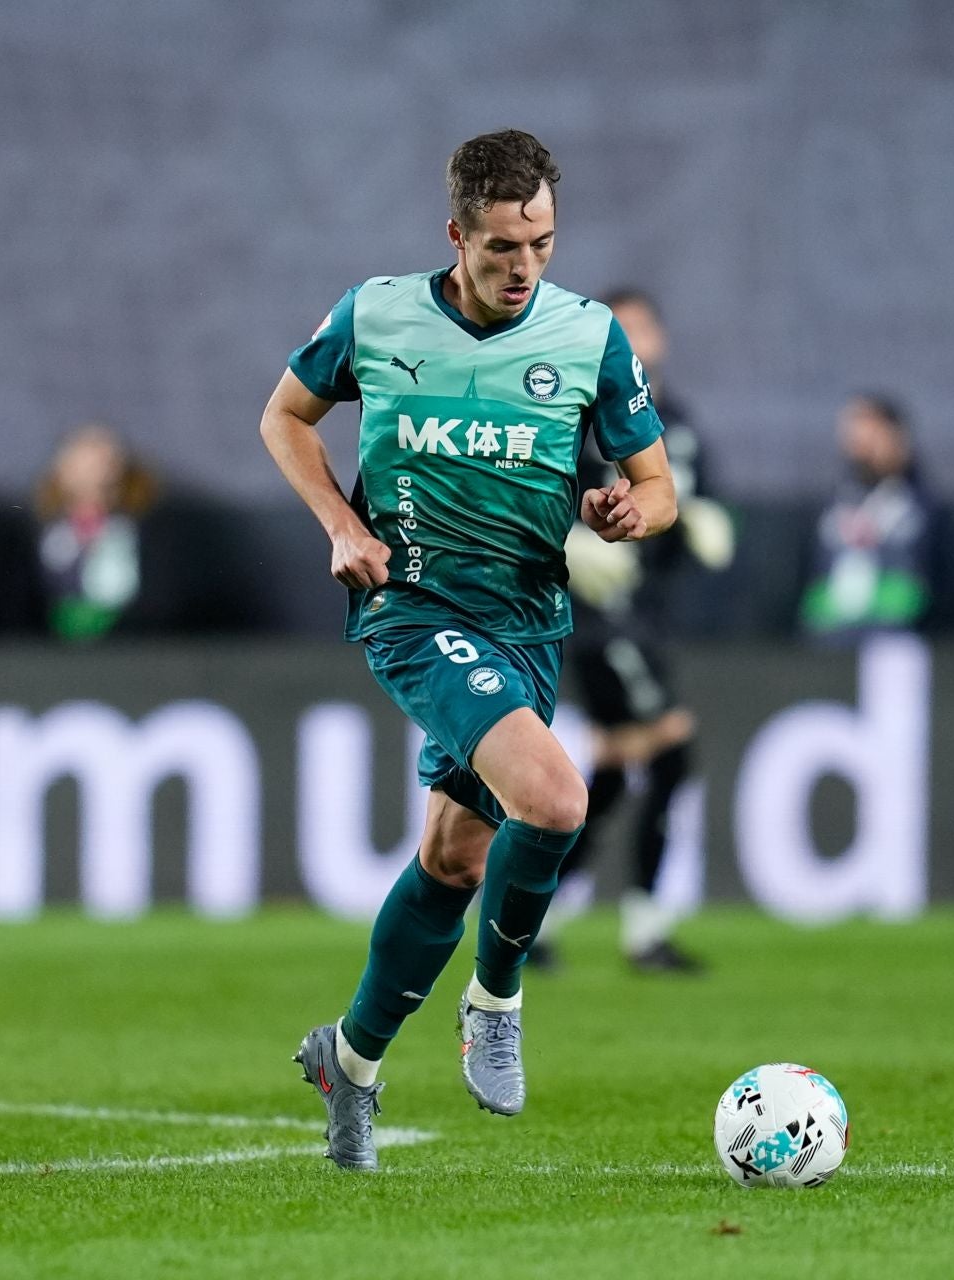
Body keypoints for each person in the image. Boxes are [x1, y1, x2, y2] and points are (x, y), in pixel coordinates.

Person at [259, 129, 675, 1171]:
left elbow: (658, 484)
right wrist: (343, 528)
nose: (523, 265)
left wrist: (628, 510)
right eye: (501, 246)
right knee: (557, 796)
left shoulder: (588, 336)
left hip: (529, 619)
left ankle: (346, 1062)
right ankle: (495, 999)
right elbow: (285, 418)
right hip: (413, 602)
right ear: (456, 233)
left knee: (455, 855)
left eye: (540, 240)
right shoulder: (378, 311)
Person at [539, 289, 735, 975]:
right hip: (599, 615)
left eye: (641, 327)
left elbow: (684, 502)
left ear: (660, 339)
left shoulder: (673, 422)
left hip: (647, 613)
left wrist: (700, 524)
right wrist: (564, 541)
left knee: (616, 776)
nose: (632, 339)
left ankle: (536, 923)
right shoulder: (574, 413)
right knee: (672, 755)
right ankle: (645, 931)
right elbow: (534, 488)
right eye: (617, 329)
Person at [799, 394, 932, 640]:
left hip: (893, 636)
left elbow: (920, 585)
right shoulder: (837, 500)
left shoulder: (917, 504)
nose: (861, 445)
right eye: (855, 437)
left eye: (872, 436)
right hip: (831, 636)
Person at [31, 422, 161, 642]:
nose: (96, 470)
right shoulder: (44, 529)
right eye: (84, 461)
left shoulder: (144, 529)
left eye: (104, 461)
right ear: (62, 469)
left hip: (132, 642)